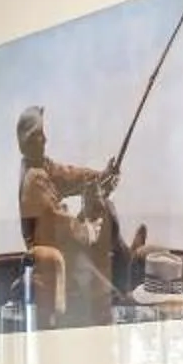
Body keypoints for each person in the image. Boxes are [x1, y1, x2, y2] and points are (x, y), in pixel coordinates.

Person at [14, 104, 119, 328]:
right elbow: (58, 223)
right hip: (55, 258)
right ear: (28, 142)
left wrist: (102, 177)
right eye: (39, 135)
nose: (46, 139)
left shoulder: (42, 168)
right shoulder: (34, 179)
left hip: (63, 248)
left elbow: (70, 175)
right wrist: (88, 230)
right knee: (104, 295)